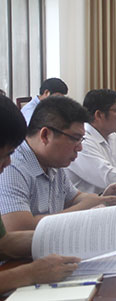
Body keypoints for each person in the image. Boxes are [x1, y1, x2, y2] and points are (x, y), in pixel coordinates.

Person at [0, 96, 116, 232]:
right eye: (75, 139)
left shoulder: (53, 162)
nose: (80, 148)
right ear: (45, 135)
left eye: (81, 140)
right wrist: (84, 207)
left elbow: (74, 197)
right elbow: (18, 229)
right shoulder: (11, 166)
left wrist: (102, 198)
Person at [0, 96, 81, 291]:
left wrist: (70, 239)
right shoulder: (16, 169)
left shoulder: (53, 164)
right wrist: (30, 273)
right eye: (6, 154)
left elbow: (4, 243)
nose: (8, 162)